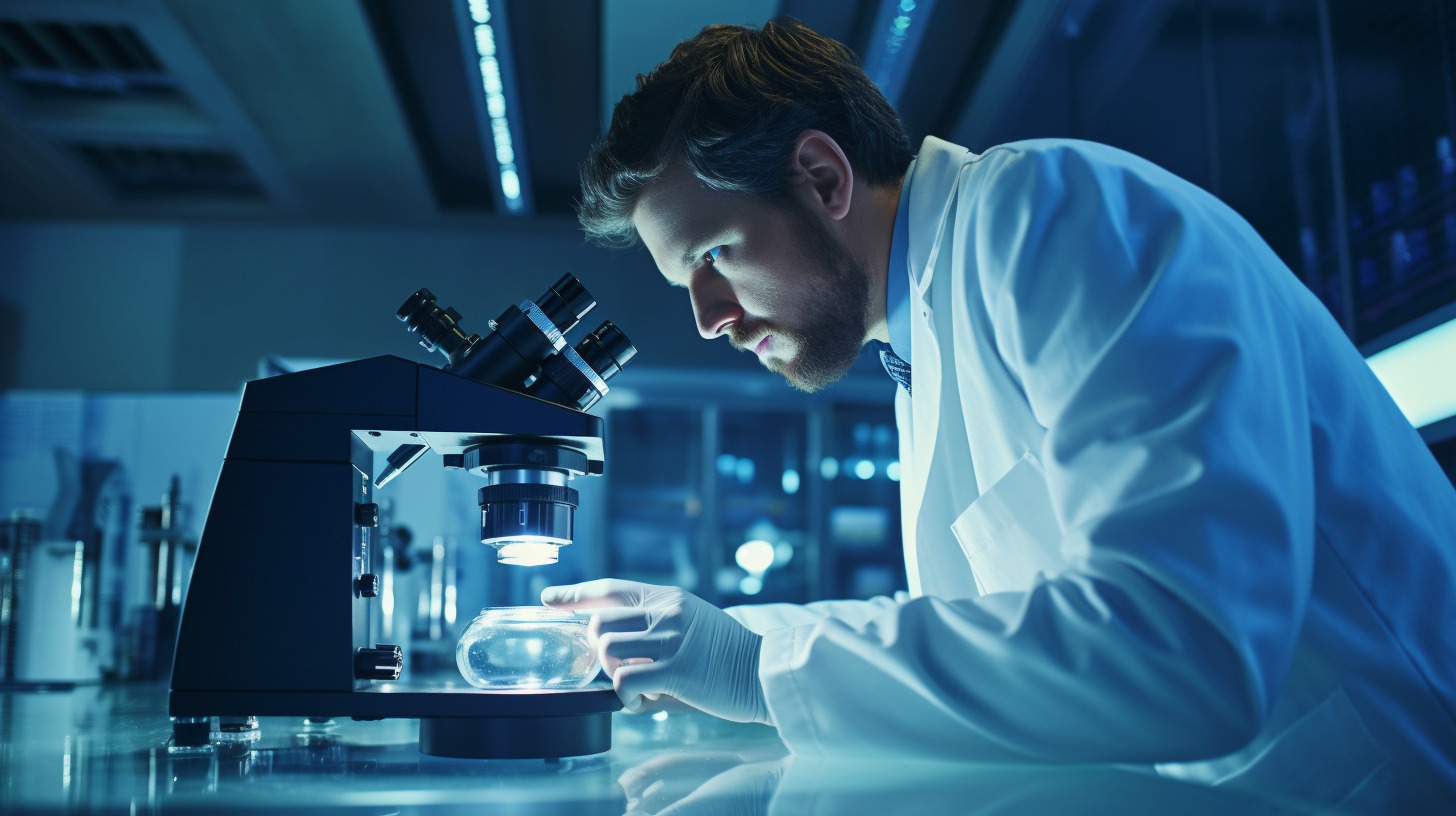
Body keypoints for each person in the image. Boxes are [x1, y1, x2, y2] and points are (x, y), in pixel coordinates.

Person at [543, 18, 1456, 812]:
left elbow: (1179, 645)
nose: (708, 319)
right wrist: (736, 646)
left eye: (714, 256)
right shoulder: (921, 334)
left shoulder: (1051, 214)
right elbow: (1003, 633)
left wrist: (756, 671)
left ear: (822, 178)